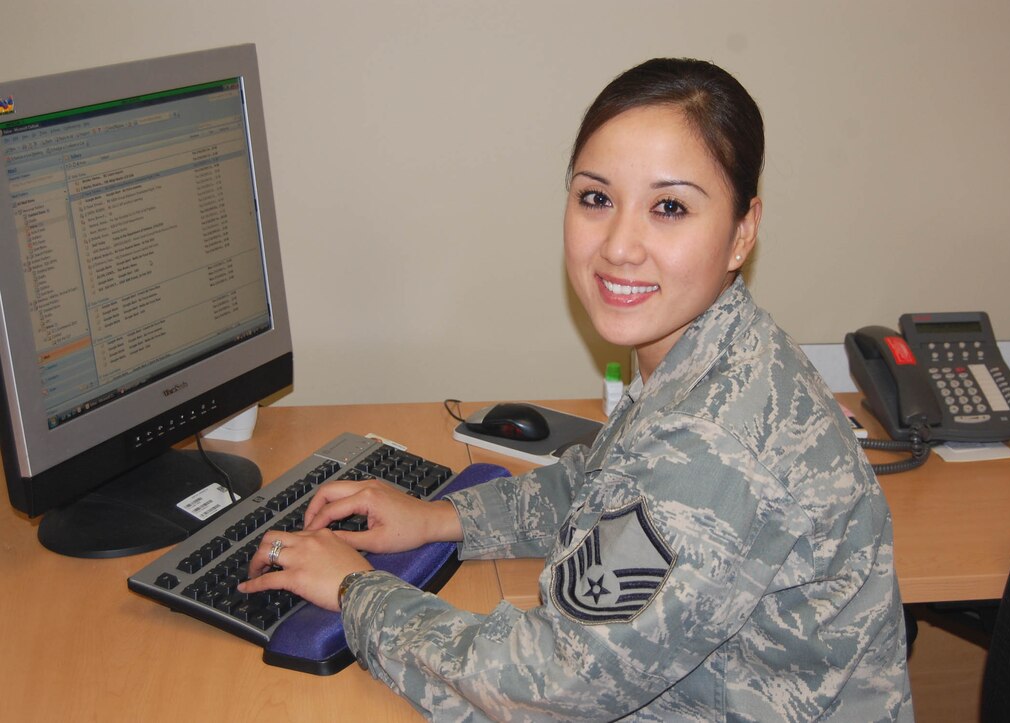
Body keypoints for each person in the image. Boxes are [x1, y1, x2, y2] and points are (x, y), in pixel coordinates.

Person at [239, 58, 914, 721]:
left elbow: (547, 686)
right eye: (597, 197)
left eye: (670, 207)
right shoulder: (712, 349)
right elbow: (596, 487)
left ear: (742, 232)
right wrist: (441, 519)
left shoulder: (715, 442)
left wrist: (356, 593)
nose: (620, 244)